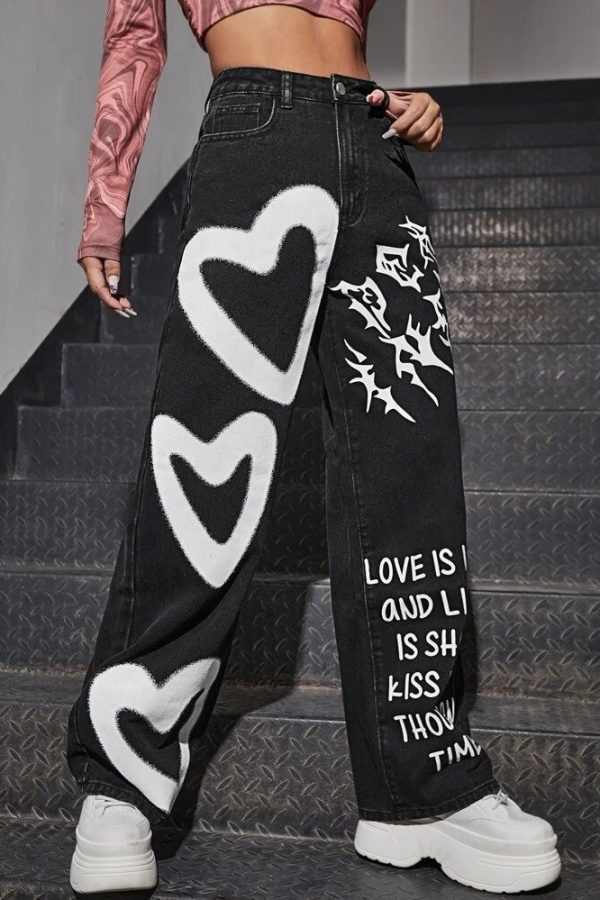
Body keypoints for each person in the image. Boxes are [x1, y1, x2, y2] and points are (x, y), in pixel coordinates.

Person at [66, 0, 562, 894]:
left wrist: (411, 107)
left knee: (411, 465)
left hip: (375, 145)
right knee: (204, 453)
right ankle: (123, 776)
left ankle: (422, 788)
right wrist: (105, 205)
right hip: (254, 135)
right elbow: (136, 34)